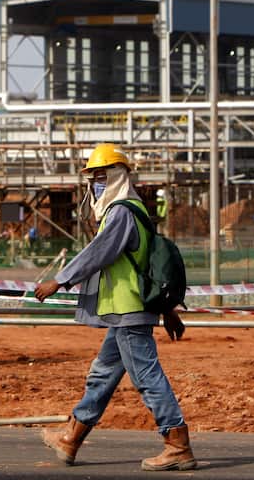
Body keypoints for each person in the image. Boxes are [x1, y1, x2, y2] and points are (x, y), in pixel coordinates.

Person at [34, 143, 196, 472]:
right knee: (103, 374)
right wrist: (167, 310)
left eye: (100, 176)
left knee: (147, 377)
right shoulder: (132, 210)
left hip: (128, 311)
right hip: (124, 311)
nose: (95, 183)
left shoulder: (121, 211)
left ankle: (177, 444)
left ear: (117, 176)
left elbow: (99, 252)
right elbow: (145, 266)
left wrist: (60, 280)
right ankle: (70, 438)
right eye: (92, 177)